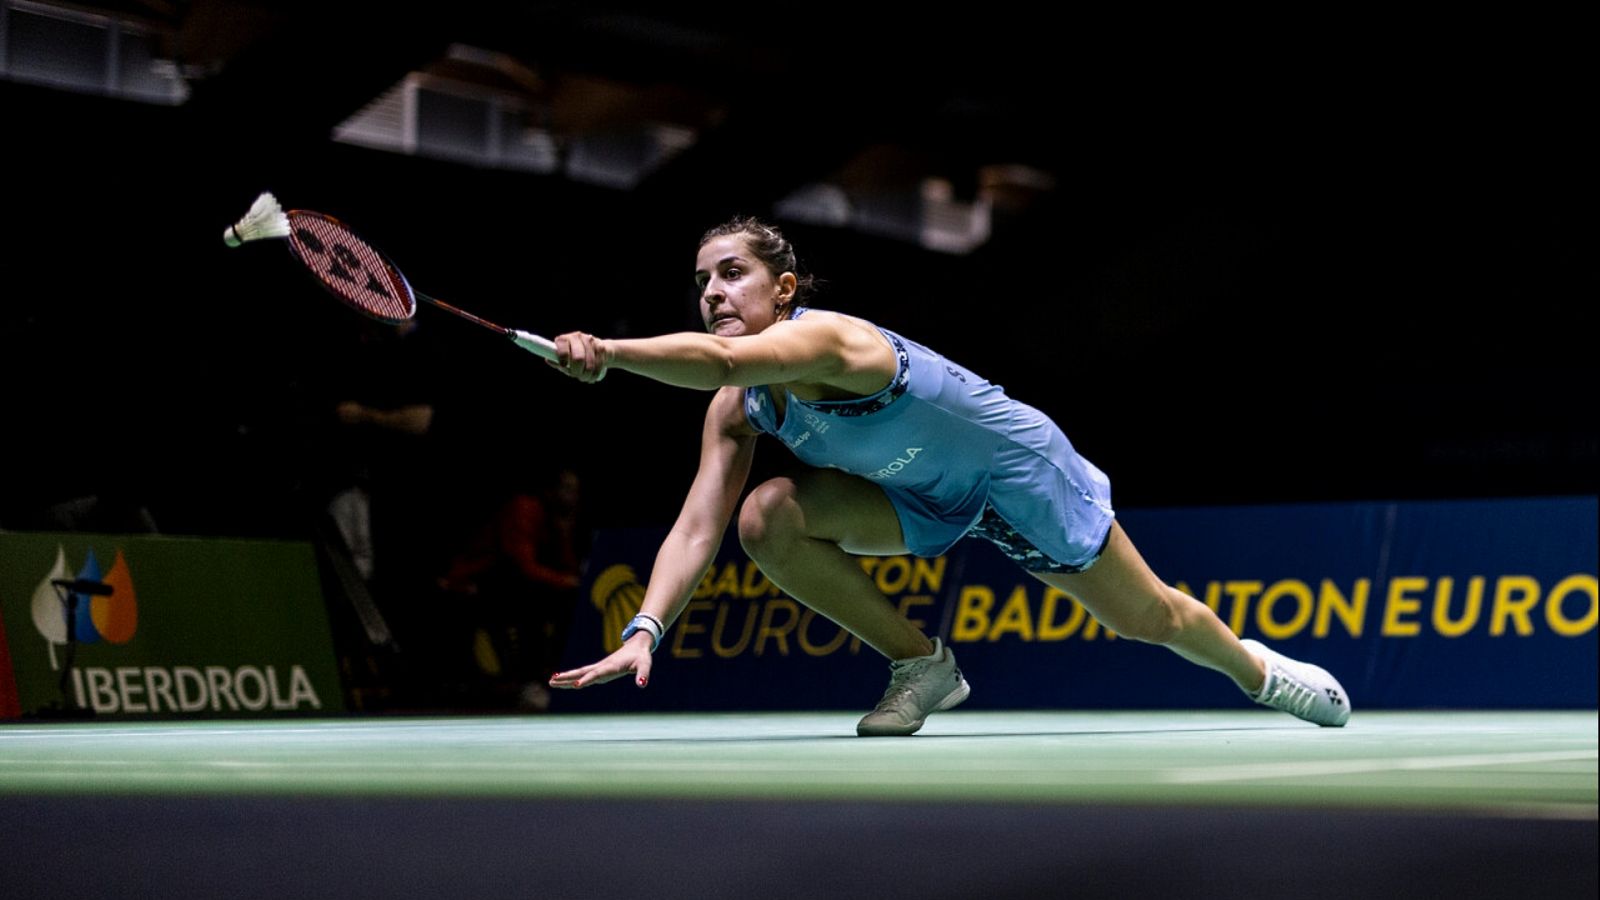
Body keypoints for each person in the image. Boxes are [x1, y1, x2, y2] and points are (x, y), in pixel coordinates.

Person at [546, 217, 1351, 735]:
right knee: (767, 518)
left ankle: (1263, 675)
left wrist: (609, 353)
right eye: (703, 283)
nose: (713, 293)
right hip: (916, 497)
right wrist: (645, 628)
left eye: (732, 275)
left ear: (783, 289)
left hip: (1019, 473)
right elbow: (697, 526)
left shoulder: (832, 342)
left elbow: (722, 356)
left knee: (1152, 620)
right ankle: (921, 665)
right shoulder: (737, 407)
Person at [437, 467, 588, 711]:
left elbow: (567, 565)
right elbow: (522, 566)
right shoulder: (524, 508)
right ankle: (528, 683)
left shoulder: (556, 518)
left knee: (566, 602)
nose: (574, 496)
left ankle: (559, 677)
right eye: (568, 489)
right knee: (532, 600)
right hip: (475, 580)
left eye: (576, 491)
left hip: (507, 583)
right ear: (551, 490)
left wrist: (564, 530)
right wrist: (564, 581)